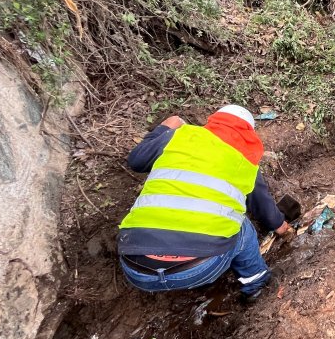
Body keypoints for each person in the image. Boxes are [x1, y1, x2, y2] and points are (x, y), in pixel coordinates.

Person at [117, 105, 292, 300]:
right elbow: (263, 207)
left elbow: (136, 160)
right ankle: (256, 283)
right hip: (198, 269)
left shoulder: (178, 137)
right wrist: (282, 226)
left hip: (135, 268)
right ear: (248, 133)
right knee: (242, 225)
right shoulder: (244, 161)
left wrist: (163, 129)